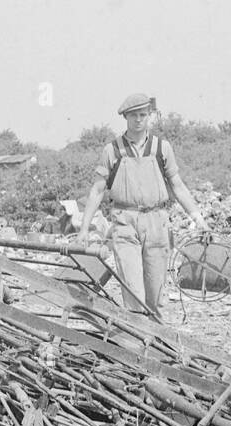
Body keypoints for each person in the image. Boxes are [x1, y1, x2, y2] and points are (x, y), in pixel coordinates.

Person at [76, 93, 210, 318]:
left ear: (149, 116)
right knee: (133, 292)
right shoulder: (113, 150)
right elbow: (97, 190)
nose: (138, 120)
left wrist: (199, 220)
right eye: (133, 115)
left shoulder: (161, 148)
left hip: (157, 223)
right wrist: (83, 230)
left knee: (155, 296)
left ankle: (157, 345)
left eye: (143, 115)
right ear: (126, 118)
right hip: (125, 223)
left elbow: (177, 186)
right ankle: (136, 346)